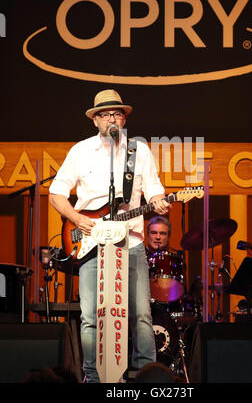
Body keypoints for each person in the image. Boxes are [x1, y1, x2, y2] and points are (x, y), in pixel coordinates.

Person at [49, 89, 170, 383]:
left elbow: (154, 188)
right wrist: (78, 219)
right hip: (90, 242)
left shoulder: (138, 151)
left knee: (141, 314)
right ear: (95, 120)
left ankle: (146, 377)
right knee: (91, 315)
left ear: (124, 117)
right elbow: (56, 193)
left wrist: (160, 200)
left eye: (116, 113)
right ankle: (93, 377)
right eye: (104, 114)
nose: (110, 118)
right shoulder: (80, 151)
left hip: (131, 241)